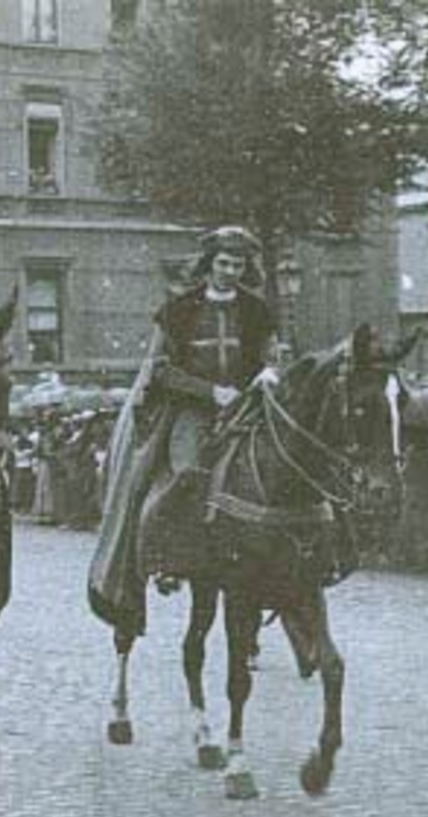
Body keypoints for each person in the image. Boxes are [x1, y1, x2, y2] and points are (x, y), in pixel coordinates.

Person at [88, 225, 281, 637]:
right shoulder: (179, 309)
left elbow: (270, 355)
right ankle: (168, 558)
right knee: (187, 472)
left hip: (247, 407)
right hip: (191, 411)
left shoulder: (257, 310)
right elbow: (160, 368)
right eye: (223, 263)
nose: (230, 271)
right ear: (209, 265)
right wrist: (211, 392)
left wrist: (267, 373)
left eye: (238, 264)